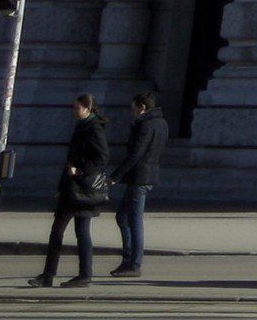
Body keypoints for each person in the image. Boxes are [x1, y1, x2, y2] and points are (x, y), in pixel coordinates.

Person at [36, 93, 108, 286]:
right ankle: (54, 275)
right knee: (66, 231)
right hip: (73, 187)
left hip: (82, 189)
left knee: (70, 232)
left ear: (87, 108)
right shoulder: (82, 127)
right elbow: (71, 159)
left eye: (77, 108)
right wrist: (61, 185)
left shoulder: (93, 129)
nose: (74, 111)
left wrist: (80, 171)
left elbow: (102, 158)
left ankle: (73, 275)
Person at [110, 87, 165, 275]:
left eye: (133, 108)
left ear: (142, 107)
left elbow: (136, 154)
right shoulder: (161, 123)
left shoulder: (145, 125)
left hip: (140, 176)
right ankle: (129, 258)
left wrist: (115, 176)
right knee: (123, 217)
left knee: (134, 220)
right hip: (147, 174)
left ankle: (134, 262)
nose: (131, 112)